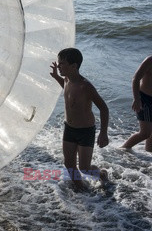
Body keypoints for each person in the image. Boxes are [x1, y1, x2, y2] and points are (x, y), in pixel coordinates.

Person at [49, 48, 109, 190]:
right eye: (58, 63)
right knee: (68, 164)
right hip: (69, 129)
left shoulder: (85, 87)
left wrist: (103, 133)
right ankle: (81, 187)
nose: (58, 66)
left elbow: (104, 108)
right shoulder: (67, 79)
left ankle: (102, 173)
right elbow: (66, 88)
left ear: (74, 66)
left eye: (61, 64)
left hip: (85, 131)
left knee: (84, 168)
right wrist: (56, 76)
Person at [121, 55, 152, 152]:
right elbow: (136, 78)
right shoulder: (150, 60)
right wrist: (137, 98)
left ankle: (149, 155)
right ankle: (123, 149)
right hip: (145, 99)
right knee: (145, 133)